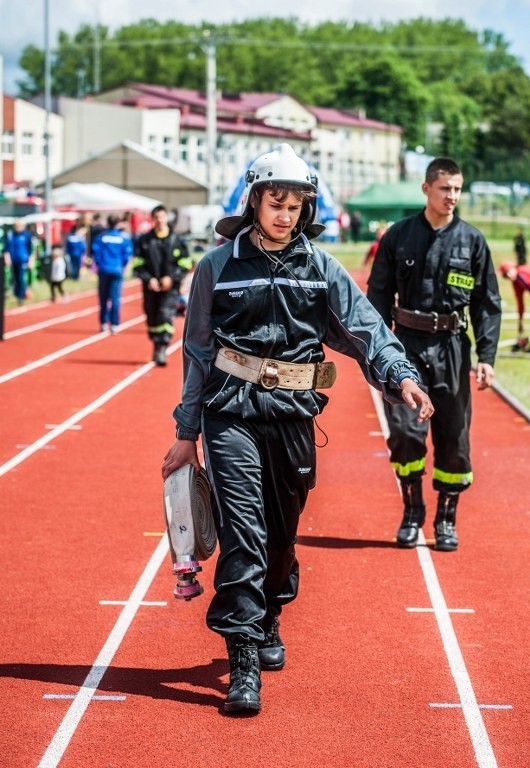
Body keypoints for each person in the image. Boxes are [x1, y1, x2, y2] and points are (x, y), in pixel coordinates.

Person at [161, 143, 434, 715]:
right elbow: (197, 352)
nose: (285, 213)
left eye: (296, 204)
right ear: (255, 201)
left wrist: (401, 376)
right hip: (229, 410)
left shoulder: (320, 268)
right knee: (244, 531)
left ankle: (270, 614)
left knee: (281, 534)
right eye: (275, 202)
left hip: (293, 414)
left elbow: (365, 330)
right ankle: (242, 656)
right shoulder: (216, 267)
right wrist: (187, 432)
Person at [367, 157, 502, 553]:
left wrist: (487, 356)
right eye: (445, 188)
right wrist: (376, 351)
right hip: (405, 345)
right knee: (406, 435)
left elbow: (487, 304)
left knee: (454, 438)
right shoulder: (398, 236)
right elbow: (376, 296)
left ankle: (446, 517)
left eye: (458, 189)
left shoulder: (472, 241)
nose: (452, 196)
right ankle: (413, 510)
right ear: (426, 189)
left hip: (453, 350)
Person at [133, 205, 193, 366]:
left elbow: (186, 263)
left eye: (162, 217)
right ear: (153, 219)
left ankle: (162, 348)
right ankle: (156, 344)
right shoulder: (144, 240)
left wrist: (172, 278)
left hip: (170, 288)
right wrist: (149, 279)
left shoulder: (177, 240)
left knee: (165, 314)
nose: (160, 220)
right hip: (150, 288)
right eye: (157, 217)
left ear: (166, 218)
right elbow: (138, 264)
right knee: (152, 317)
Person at [91, 214, 133, 333]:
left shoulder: (101, 237)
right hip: (116, 270)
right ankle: (114, 323)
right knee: (115, 298)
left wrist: (100, 264)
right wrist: (121, 266)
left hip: (104, 270)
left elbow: (96, 252)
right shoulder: (123, 238)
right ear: (118, 223)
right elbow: (127, 254)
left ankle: (104, 322)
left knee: (103, 297)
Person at [499, 261, 530, 350]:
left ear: (513, 268)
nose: (509, 276)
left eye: (509, 272)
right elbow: (520, 303)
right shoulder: (516, 282)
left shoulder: (522, 273)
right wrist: (520, 321)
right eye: (506, 275)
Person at [3, 219, 34, 305]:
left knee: (21, 278)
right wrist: (7, 257)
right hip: (14, 260)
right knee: (14, 278)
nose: (18, 228)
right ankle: (16, 294)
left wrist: (30, 260)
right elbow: (6, 248)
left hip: (23, 260)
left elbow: (30, 249)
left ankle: (21, 296)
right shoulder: (11, 235)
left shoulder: (26, 235)